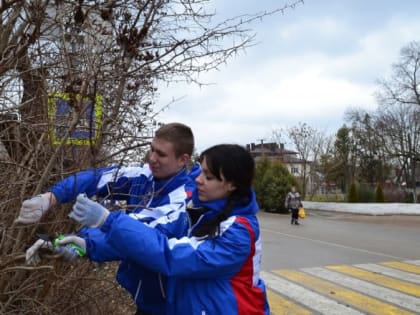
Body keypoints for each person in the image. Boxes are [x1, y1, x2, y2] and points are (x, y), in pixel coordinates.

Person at [62, 144, 270, 314]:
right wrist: (88, 244)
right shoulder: (200, 212)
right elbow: (153, 233)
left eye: (208, 176)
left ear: (232, 185)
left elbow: (170, 254)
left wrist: (108, 221)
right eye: (200, 170)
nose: (197, 179)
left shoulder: (239, 232)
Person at [20, 122, 197, 315]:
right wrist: (50, 198)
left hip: (174, 306)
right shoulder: (145, 175)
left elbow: (135, 234)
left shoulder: (180, 201)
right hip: (148, 300)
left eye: (161, 154)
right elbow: (97, 178)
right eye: (152, 150)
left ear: (183, 160)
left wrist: (83, 243)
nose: (152, 158)